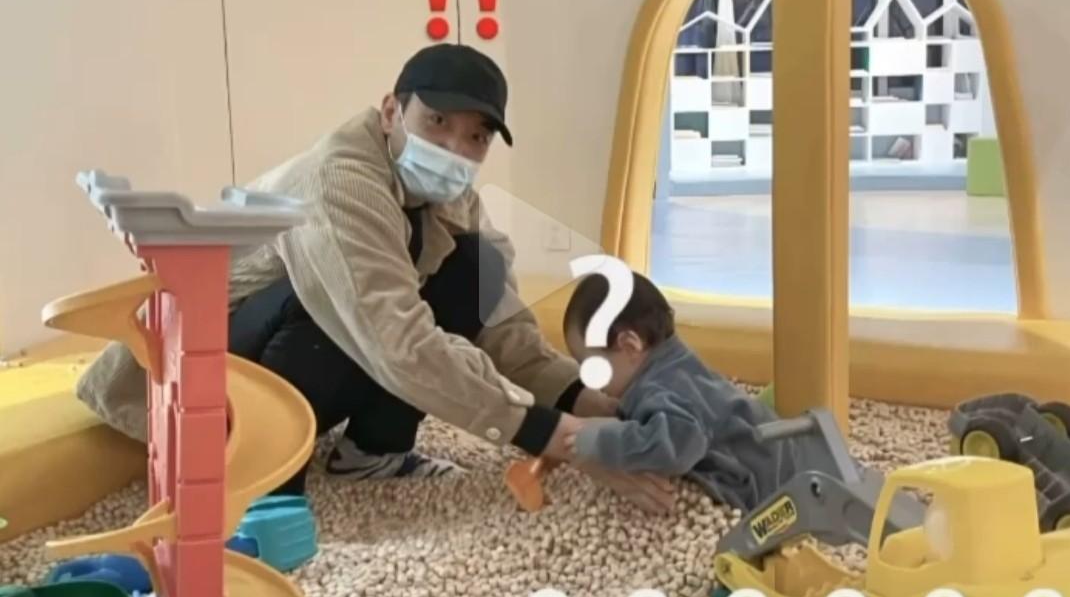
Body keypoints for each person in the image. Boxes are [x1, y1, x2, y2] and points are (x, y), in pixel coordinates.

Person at [76, 44, 673, 511]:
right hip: (192, 378)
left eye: (476, 136)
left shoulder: (450, 194)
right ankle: (264, 475)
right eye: (436, 121)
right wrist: (554, 435)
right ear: (391, 112)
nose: (454, 147)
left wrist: (586, 402)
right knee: (333, 298)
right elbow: (397, 341)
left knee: (474, 267)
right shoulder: (340, 182)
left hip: (281, 354)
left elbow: (500, 322)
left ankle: (371, 453)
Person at [559, 270, 799, 510]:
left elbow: (680, 443)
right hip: (777, 452)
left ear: (630, 346)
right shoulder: (675, 362)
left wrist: (603, 441)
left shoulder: (659, 388)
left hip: (766, 488)